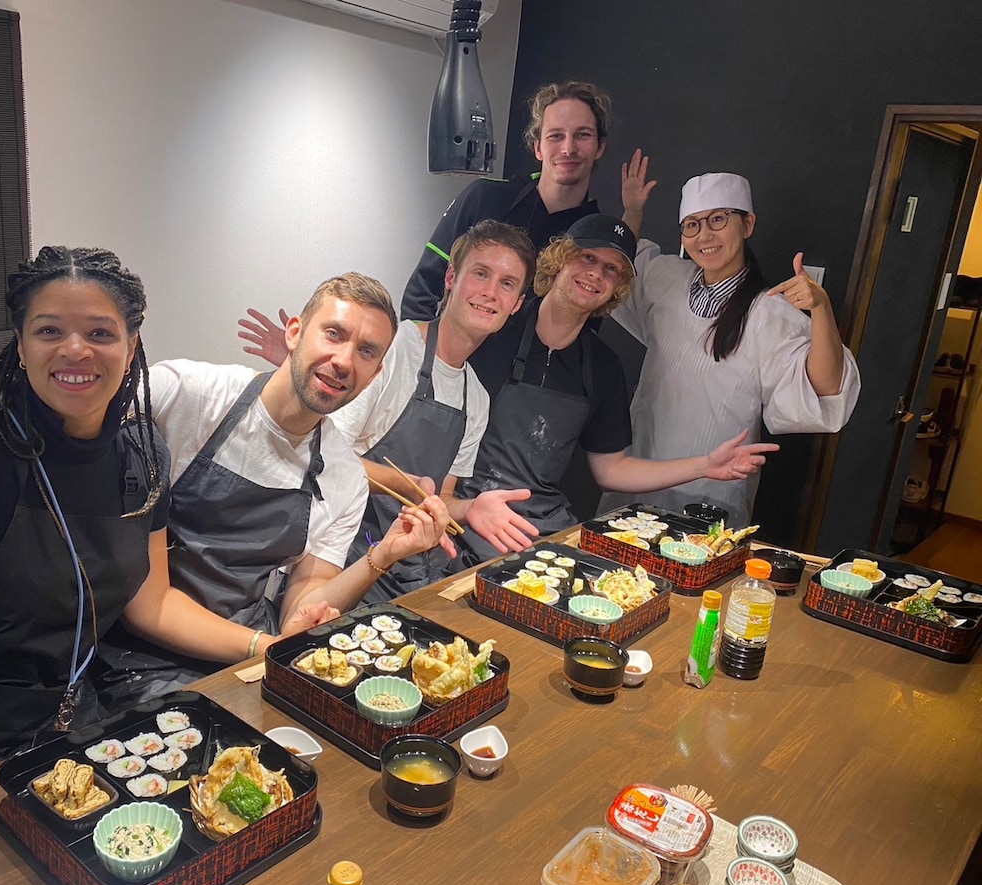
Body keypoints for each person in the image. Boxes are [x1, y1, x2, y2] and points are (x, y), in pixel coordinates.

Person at [0, 247, 335, 840]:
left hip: (49, 745)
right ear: (20, 345)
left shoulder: (143, 458)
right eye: (50, 331)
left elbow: (151, 603)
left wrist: (267, 647)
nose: (76, 349)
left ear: (131, 345)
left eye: (100, 332)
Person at [0, 273, 451, 702]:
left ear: (377, 373)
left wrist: (382, 556)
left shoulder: (344, 475)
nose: (343, 360)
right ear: (296, 333)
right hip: (139, 650)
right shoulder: (191, 395)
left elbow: (304, 602)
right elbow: (68, 404)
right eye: (334, 334)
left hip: (247, 651)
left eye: (366, 351)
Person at [450, 214, 780, 564]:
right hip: (467, 513)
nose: (597, 273)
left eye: (612, 269)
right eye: (588, 257)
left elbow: (612, 470)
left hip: (540, 528)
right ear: (559, 260)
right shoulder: (494, 327)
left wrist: (705, 465)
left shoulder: (602, 367)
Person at [237, 80, 615, 358]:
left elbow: (584, 329)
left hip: (523, 397)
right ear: (538, 147)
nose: (568, 148)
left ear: (599, 146)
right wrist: (421, 364)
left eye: (582, 135)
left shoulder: (597, 241)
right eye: (556, 136)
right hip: (444, 365)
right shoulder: (486, 197)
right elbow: (424, 288)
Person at [602, 161, 861, 526]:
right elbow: (619, 265)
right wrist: (633, 211)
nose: (705, 235)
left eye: (718, 219)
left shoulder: (770, 314)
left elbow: (825, 388)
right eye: (692, 225)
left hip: (712, 489)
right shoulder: (666, 279)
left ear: (748, 224)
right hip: (639, 470)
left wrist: (821, 309)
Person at [328, 220, 538, 602]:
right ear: (451, 277)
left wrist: (470, 508)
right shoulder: (395, 349)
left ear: (516, 305)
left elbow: (441, 499)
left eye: (507, 284)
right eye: (481, 273)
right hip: (342, 557)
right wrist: (407, 484)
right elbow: (325, 456)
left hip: (408, 568)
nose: (490, 292)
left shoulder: (476, 398)